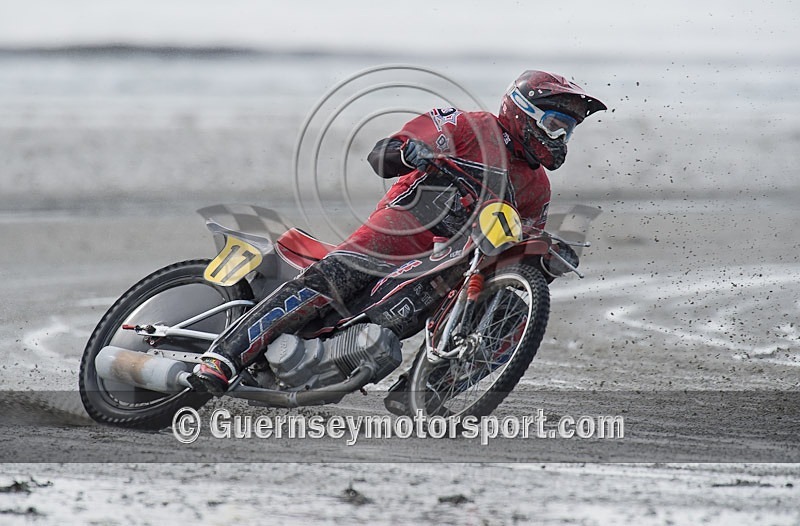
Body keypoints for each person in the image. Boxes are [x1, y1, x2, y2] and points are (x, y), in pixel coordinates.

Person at [188, 70, 606, 395]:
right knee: (332, 279)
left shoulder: (537, 187)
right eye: (554, 124)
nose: (560, 138)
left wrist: (546, 260)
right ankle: (222, 358)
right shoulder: (466, 125)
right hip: (393, 238)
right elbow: (385, 152)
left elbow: (515, 245)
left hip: (448, 266)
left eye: (567, 130)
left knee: (510, 313)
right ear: (521, 111)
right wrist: (407, 150)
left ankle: (424, 393)